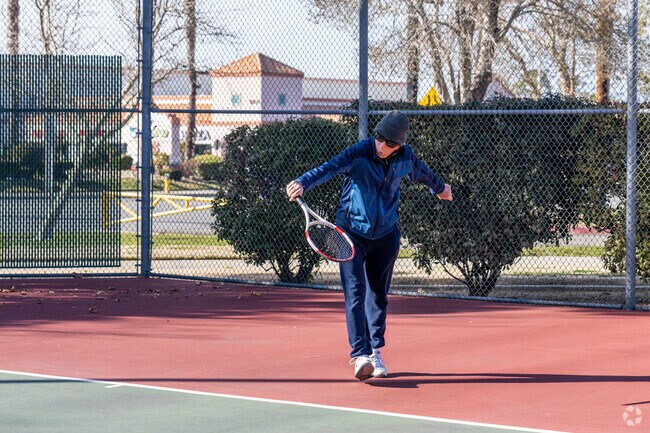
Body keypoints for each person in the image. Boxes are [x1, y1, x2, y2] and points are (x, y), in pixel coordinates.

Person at [286, 110, 452, 381]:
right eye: (378, 138)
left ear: (398, 145)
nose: (381, 145)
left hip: (386, 234)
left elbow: (423, 173)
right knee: (355, 291)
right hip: (351, 233)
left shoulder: (405, 157)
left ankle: (376, 351)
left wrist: (440, 188)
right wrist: (302, 182)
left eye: (388, 142)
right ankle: (360, 355)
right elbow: (327, 168)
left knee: (378, 295)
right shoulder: (360, 152)